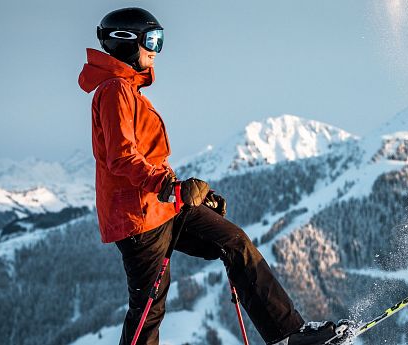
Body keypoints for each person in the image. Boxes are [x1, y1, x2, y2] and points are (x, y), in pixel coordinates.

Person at [78, 7, 341, 345]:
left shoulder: (128, 90)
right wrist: (169, 186)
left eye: (160, 41)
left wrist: (189, 192)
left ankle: (287, 334)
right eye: (151, 41)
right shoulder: (115, 90)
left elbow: (148, 158)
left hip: (164, 207)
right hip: (140, 218)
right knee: (148, 310)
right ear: (126, 42)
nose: (156, 51)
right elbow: (122, 157)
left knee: (234, 242)